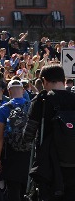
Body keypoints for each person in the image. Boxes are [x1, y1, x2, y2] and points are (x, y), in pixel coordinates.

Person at [22, 65, 75, 200]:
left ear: (44, 80)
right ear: (63, 80)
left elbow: (28, 135)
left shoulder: (42, 100)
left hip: (49, 166)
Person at [0, 80, 31, 201]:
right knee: (26, 189)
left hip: (10, 152)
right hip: (28, 153)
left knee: (13, 189)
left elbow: (0, 137)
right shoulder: (31, 106)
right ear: (23, 90)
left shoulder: (3, 109)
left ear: (9, 92)